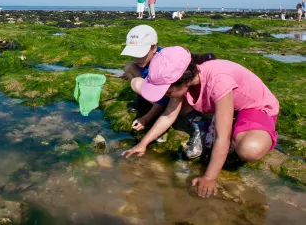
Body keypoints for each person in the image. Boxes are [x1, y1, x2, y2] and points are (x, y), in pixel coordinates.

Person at [122, 47, 280, 198]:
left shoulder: (218, 82)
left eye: (168, 91)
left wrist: (210, 178)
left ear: (181, 81)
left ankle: (254, 129)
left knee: (249, 150)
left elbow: (222, 138)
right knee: (184, 107)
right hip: (227, 105)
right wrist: (143, 144)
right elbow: (168, 115)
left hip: (254, 106)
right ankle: (219, 124)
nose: (166, 95)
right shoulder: (185, 79)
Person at [120, 27, 205, 158]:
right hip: (164, 93)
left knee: (137, 83)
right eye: (134, 53)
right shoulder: (152, 58)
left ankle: (197, 124)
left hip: (176, 96)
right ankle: (146, 102)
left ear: (155, 47)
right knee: (129, 67)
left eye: (141, 53)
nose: (137, 58)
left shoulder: (163, 67)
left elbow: (163, 98)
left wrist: (146, 118)